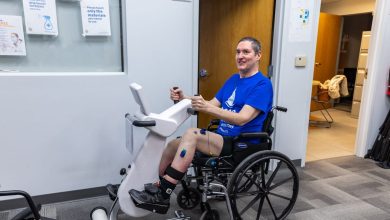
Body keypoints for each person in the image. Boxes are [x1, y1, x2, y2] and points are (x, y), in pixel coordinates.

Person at [129, 36, 273, 214]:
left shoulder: (262, 84)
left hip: (241, 143)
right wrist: (185, 98)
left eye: (246, 52)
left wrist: (206, 108)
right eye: (238, 52)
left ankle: (163, 195)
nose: (240, 56)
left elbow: (242, 118)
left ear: (258, 55)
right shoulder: (233, 80)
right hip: (222, 138)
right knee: (174, 144)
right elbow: (211, 104)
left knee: (191, 134)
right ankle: (158, 186)